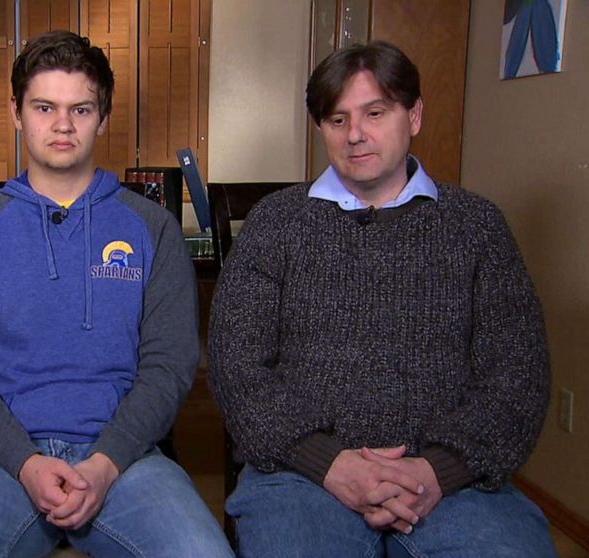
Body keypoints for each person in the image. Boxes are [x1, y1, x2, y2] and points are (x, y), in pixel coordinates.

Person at [208, 41, 556, 557]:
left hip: (450, 483)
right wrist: (328, 463)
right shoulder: (276, 223)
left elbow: (519, 375)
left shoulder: (476, 227)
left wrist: (436, 471)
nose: (355, 135)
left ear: (413, 115)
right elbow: (235, 366)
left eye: (375, 113)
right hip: (302, 475)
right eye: (337, 119)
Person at [0, 30, 232, 557]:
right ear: (16, 113)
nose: (62, 124)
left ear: (102, 118)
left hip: (125, 460)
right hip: (1, 462)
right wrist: (27, 462)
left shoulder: (152, 229)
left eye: (80, 109)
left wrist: (105, 466)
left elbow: (170, 365)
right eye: (44, 107)